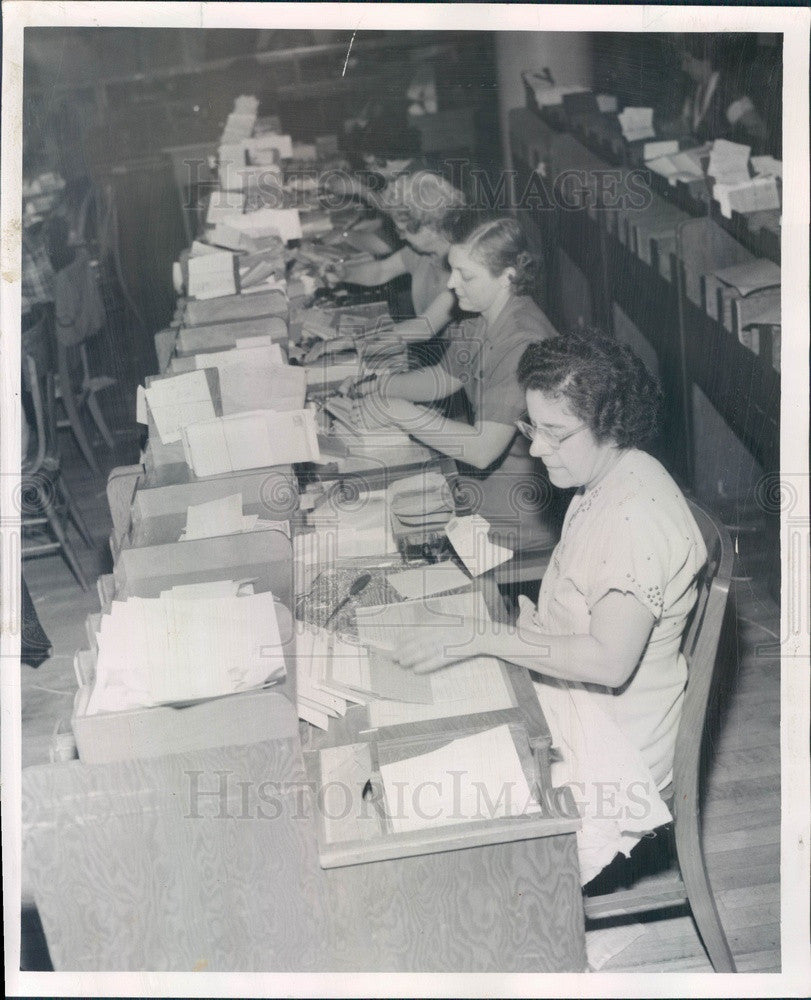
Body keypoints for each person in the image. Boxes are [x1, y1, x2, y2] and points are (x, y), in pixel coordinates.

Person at [392, 331, 708, 884]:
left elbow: (610, 661)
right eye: (531, 428)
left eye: (556, 433)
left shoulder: (633, 518)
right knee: (426, 714)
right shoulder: (610, 475)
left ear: (611, 423)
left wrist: (482, 637)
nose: (536, 449)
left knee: (427, 794)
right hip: (583, 707)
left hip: (610, 747)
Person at [351, 216, 561, 550]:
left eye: (466, 275)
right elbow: (442, 377)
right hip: (476, 488)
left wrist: (400, 413)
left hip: (511, 517)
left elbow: (481, 449)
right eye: (453, 270)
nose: (451, 284)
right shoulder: (486, 316)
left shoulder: (523, 342)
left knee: (370, 528)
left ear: (507, 277)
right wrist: (380, 388)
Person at [309, 170, 466, 360]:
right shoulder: (421, 254)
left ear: (431, 228)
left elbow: (424, 327)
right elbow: (381, 271)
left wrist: (352, 341)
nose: (400, 237)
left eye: (403, 231)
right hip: (434, 354)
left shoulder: (462, 270)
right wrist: (345, 274)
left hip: (456, 367)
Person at [672, 34, 769, 150]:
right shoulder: (694, 89)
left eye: (688, 60)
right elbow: (685, 124)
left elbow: (760, 131)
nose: (683, 67)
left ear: (706, 61)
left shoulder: (728, 91)